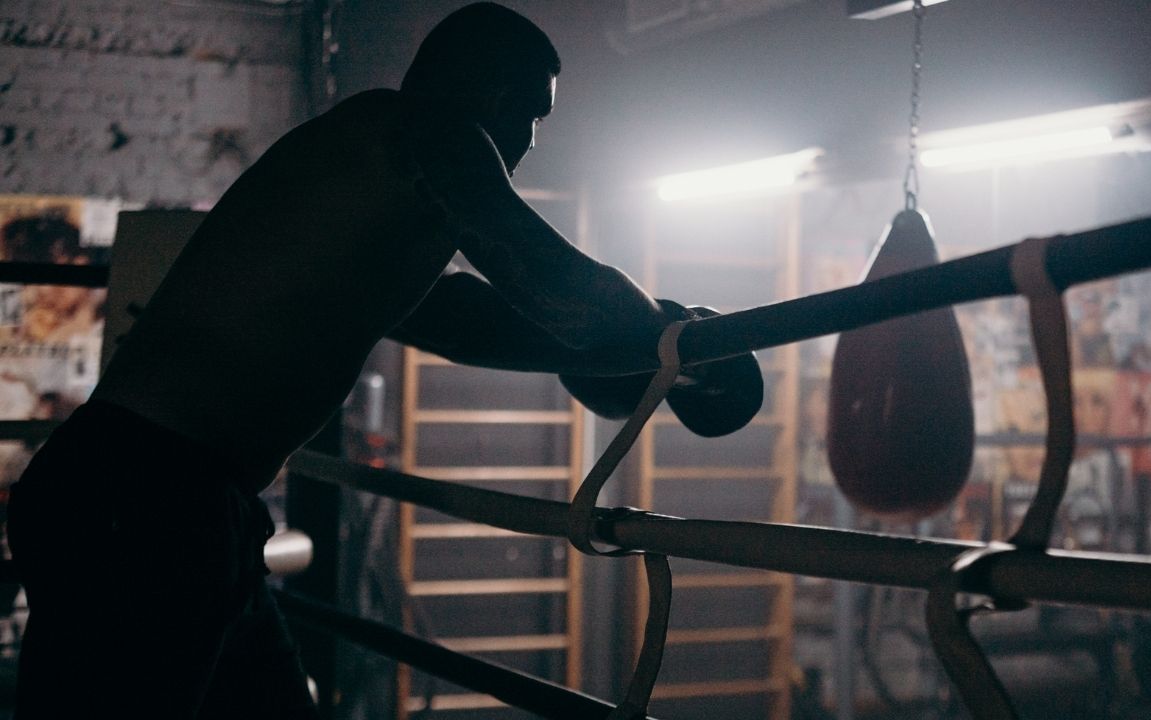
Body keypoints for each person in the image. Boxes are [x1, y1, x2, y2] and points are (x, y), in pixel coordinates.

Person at [4, 3, 761, 719]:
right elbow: (561, 290)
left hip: (178, 503)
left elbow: (467, 323)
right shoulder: (430, 135)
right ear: (497, 93)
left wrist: (646, 353)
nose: (530, 141)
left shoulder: (373, 174)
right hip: (145, 502)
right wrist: (678, 336)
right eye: (534, 113)